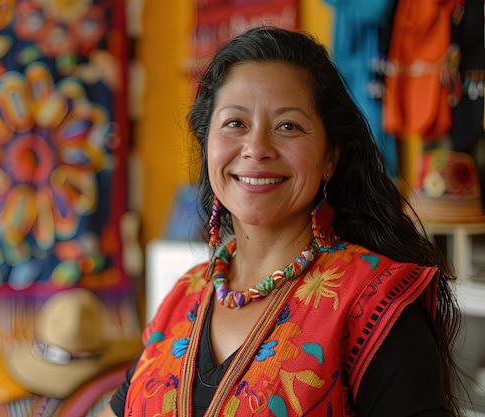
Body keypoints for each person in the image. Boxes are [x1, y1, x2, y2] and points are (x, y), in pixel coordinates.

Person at [96, 25, 465, 416]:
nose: (256, 149)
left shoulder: (373, 301)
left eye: (288, 126)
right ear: (207, 145)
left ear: (330, 157)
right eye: (235, 123)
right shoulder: (182, 299)